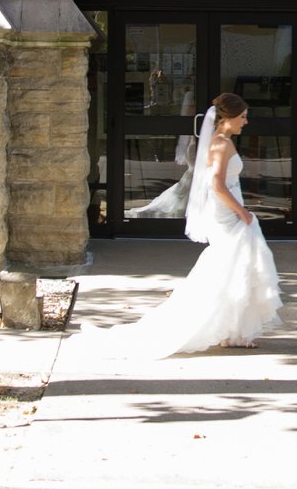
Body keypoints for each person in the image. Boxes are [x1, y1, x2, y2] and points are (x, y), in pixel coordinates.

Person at [81, 92, 282, 357]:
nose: (245, 122)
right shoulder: (221, 144)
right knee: (232, 266)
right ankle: (223, 328)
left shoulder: (220, 141)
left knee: (236, 266)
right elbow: (218, 186)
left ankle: (233, 332)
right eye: (242, 117)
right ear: (229, 118)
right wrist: (242, 212)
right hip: (225, 213)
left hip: (226, 210)